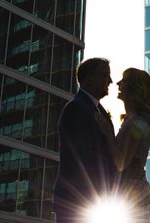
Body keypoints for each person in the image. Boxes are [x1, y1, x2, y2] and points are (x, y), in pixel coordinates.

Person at [53, 57, 117, 222]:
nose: (110, 81)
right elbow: (83, 156)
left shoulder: (100, 112)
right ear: (88, 79)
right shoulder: (76, 108)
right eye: (104, 76)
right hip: (78, 201)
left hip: (97, 202)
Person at [96, 68, 150, 223]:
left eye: (123, 81)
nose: (118, 84)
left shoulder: (137, 124)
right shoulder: (133, 120)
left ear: (134, 88)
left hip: (132, 196)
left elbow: (121, 162)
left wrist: (107, 132)